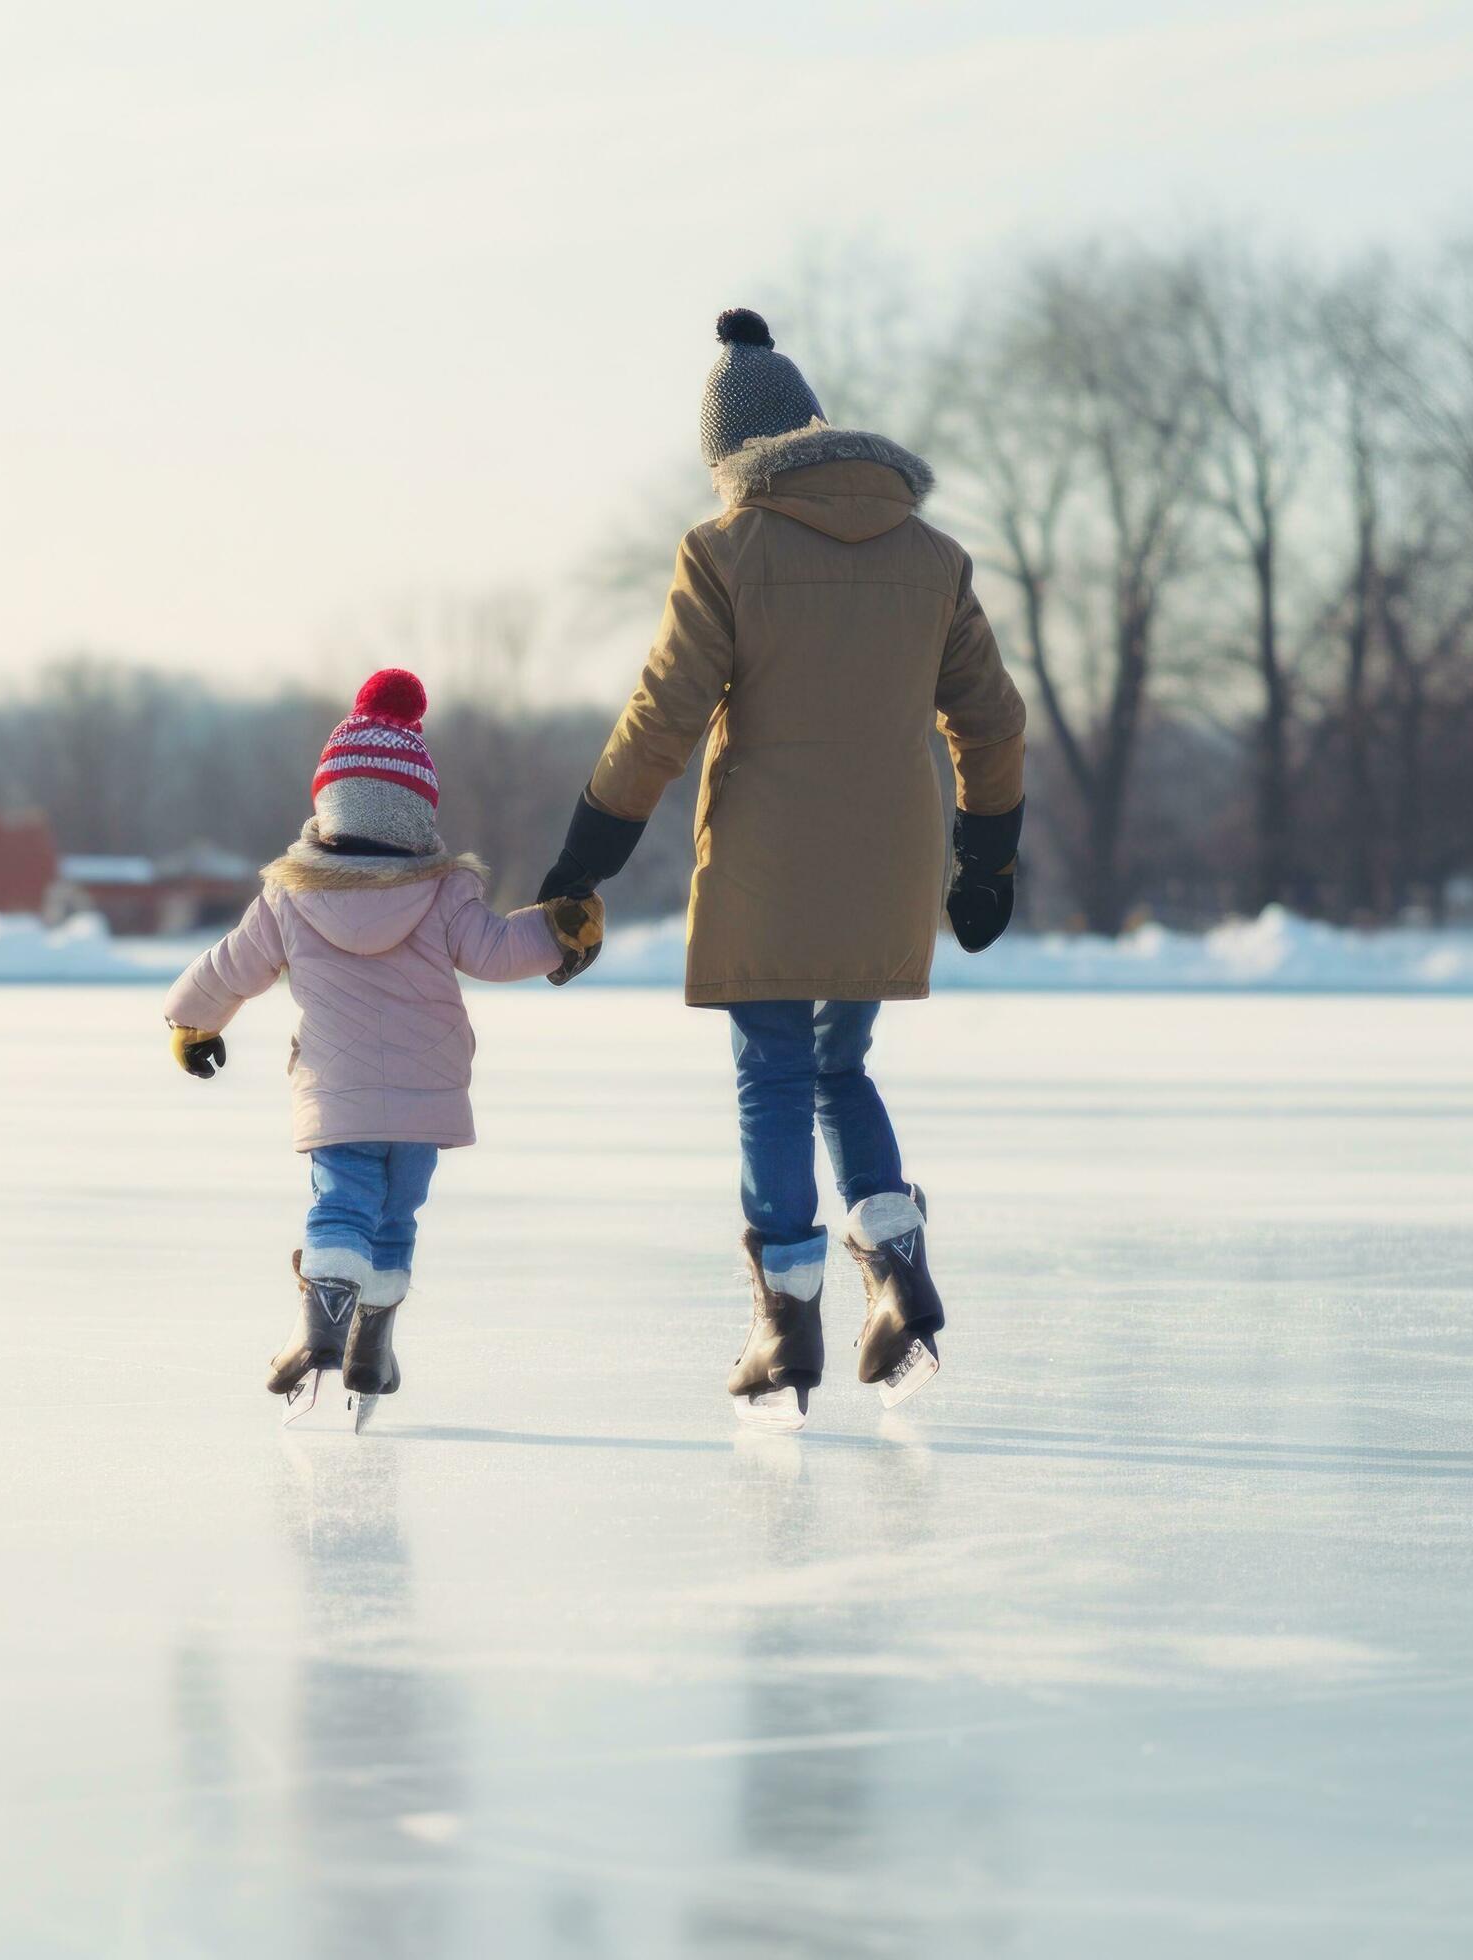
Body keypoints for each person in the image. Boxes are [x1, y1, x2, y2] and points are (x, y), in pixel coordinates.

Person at [534, 309, 1028, 1429]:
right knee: (841, 1066)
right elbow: (993, 724)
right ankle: (898, 1270)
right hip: (890, 861)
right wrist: (987, 855)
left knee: (771, 1070)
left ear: (731, 459)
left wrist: (585, 856)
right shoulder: (934, 558)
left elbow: (661, 722)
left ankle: (786, 1318)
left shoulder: (726, 551)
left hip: (767, 858)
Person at [164, 670, 600, 1426]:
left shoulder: (290, 894)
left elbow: (235, 964)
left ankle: (322, 1321)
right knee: (395, 1219)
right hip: (426, 1100)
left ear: (327, 803)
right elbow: (496, 953)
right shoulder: (445, 891)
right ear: (417, 815)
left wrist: (192, 1021)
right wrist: (559, 929)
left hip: (339, 1096)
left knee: (341, 1207)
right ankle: (372, 1342)